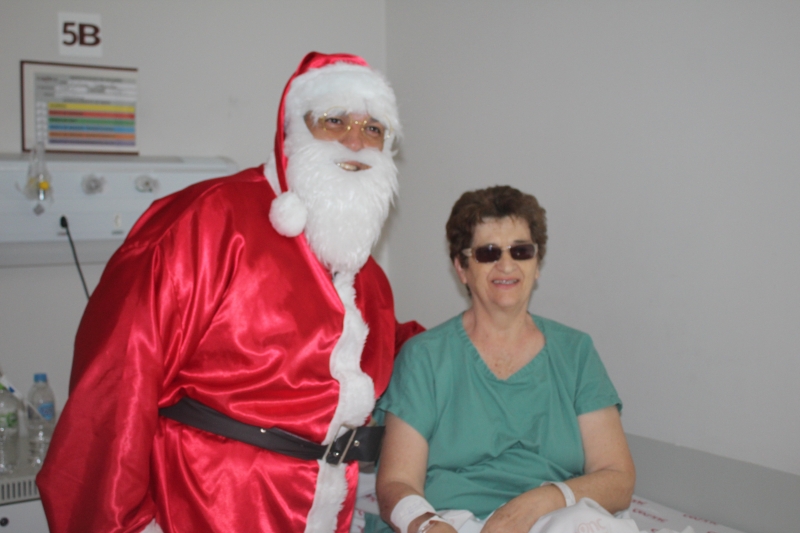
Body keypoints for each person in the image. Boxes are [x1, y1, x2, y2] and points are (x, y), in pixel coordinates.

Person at [36, 52, 423, 533]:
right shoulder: (207, 223)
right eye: (335, 120)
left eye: (374, 129)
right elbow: (116, 378)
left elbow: (391, 348)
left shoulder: (364, 277)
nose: (356, 141)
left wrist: (471, 339)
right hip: (207, 506)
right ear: (293, 131)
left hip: (325, 512)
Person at [368, 186, 636, 533]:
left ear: (536, 265)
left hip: (555, 517)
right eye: (488, 253)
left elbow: (617, 479)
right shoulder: (424, 358)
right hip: (448, 521)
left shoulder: (576, 353)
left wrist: (541, 502)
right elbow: (396, 483)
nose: (507, 265)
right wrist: (426, 525)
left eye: (521, 251)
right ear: (462, 268)